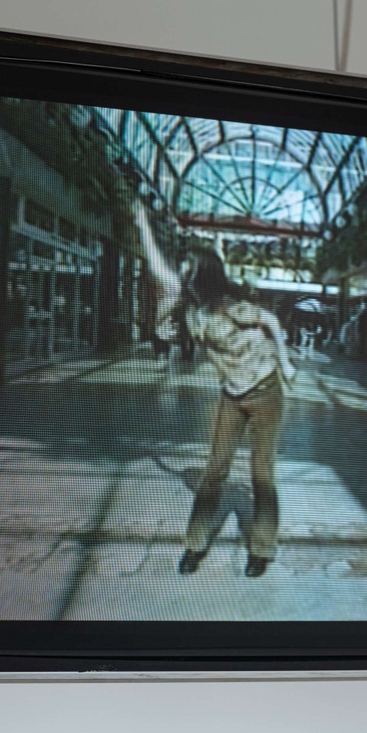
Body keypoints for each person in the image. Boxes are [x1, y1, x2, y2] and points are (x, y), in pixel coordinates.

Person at [132, 201, 296, 578]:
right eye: (182, 266)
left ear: (202, 270)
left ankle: (262, 548)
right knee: (214, 471)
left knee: (261, 474)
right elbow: (159, 271)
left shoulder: (230, 305)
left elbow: (270, 320)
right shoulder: (190, 308)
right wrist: (143, 225)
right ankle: (195, 545)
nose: (183, 271)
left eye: (189, 266)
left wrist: (286, 363)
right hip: (232, 395)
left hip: (266, 390)